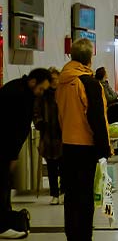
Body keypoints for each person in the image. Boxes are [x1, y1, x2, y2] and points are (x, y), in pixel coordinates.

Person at [56, 38, 112, 241]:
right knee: (86, 194)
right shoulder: (89, 83)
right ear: (89, 58)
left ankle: (72, 234)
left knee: (71, 194)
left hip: (67, 144)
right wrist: (105, 149)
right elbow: (97, 117)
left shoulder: (62, 82)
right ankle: (84, 236)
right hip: (86, 146)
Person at [0, 68, 50, 238]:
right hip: (3, 148)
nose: (41, 93)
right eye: (41, 89)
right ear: (33, 81)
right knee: (2, 185)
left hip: (6, 147)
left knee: (4, 185)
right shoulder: (18, 95)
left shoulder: (20, 90)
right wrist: (13, 156)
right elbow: (13, 129)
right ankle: (3, 225)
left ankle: (6, 221)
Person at [33, 67, 63, 205]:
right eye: (51, 79)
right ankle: (54, 194)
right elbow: (36, 112)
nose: (54, 81)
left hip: (63, 134)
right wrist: (40, 123)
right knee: (51, 167)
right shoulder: (43, 95)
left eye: (56, 78)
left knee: (64, 167)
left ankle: (63, 192)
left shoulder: (63, 93)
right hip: (48, 135)